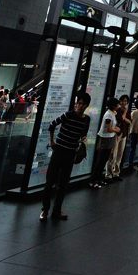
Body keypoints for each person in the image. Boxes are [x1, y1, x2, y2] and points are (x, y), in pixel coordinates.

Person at [40, 91, 91, 221]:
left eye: (82, 104)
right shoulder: (68, 115)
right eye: (78, 103)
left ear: (86, 106)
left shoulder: (86, 120)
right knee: (49, 182)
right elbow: (52, 125)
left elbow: (83, 135)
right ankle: (45, 210)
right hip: (59, 151)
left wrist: (82, 143)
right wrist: (52, 141)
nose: (79, 106)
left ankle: (56, 210)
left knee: (63, 184)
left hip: (70, 153)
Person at [90, 96, 119, 188]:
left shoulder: (112, 113)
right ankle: (93, 180)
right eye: (117, 104)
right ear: (113, 105)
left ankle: (98, 179)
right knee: (100, 160)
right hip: (105, 138)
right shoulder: (108, 115)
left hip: (109, 138)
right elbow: (108, 129)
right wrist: (116, 130)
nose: (118, 106)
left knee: (104, 160)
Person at [107, 95, 130, 181]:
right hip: (116, 134)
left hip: (123, 134)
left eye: (126, 101)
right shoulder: (117, 111)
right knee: (113, 155)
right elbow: (121, 118)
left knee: (119, 155)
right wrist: (125, 113)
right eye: (122, 101)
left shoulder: (126, 111)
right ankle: (109, 174)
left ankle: (116, 173)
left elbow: (129, 121)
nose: (124, 103)